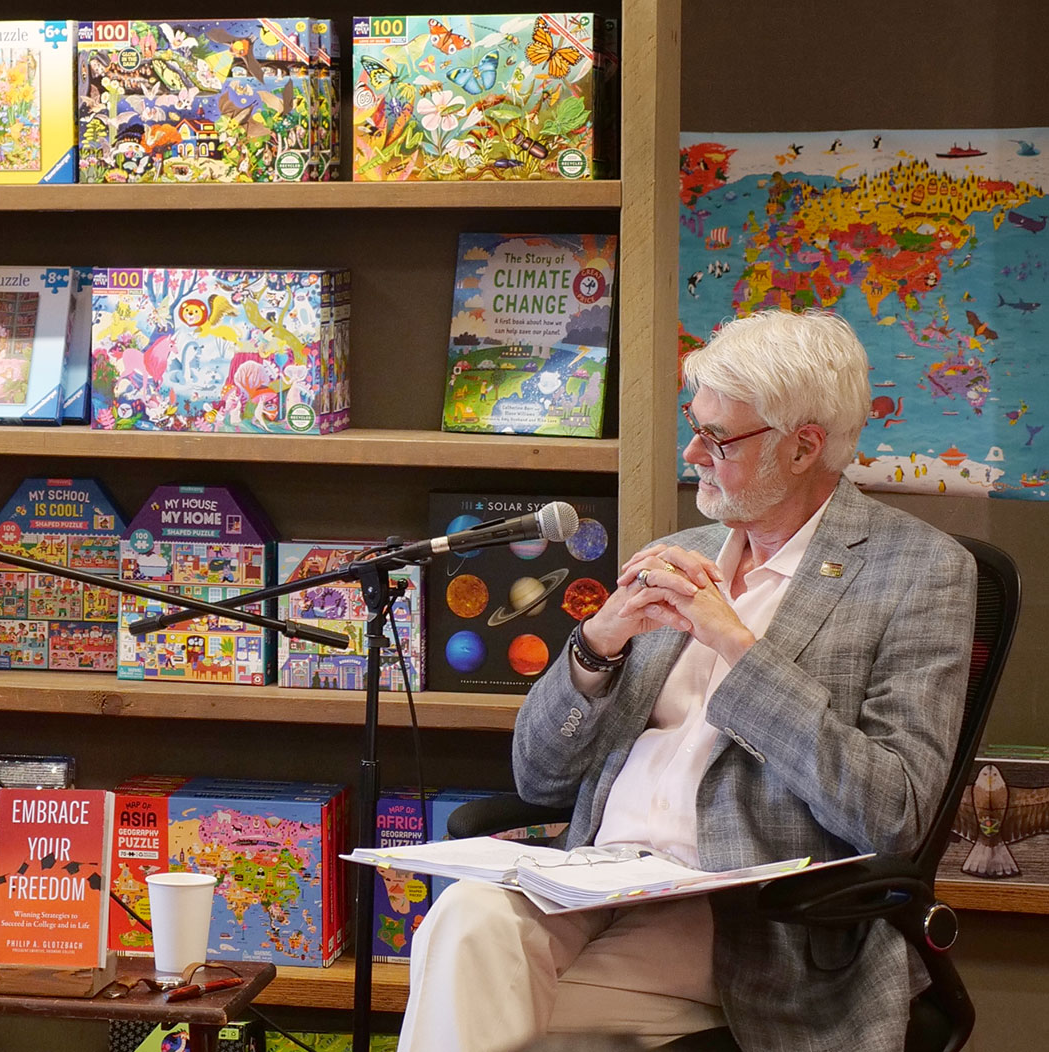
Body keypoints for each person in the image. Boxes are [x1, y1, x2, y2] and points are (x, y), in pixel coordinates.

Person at [398, 310, 976, 1052]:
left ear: (802, 448)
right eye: (693, 425)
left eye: (719, 437)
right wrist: (596, 648)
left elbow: (891, 812)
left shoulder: (918, 572)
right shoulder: (677, 553)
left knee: (492, 1021)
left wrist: (737, 646)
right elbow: (539, 776)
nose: (692, 450)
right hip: (591, 882)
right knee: (464, 920)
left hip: (746, 920)